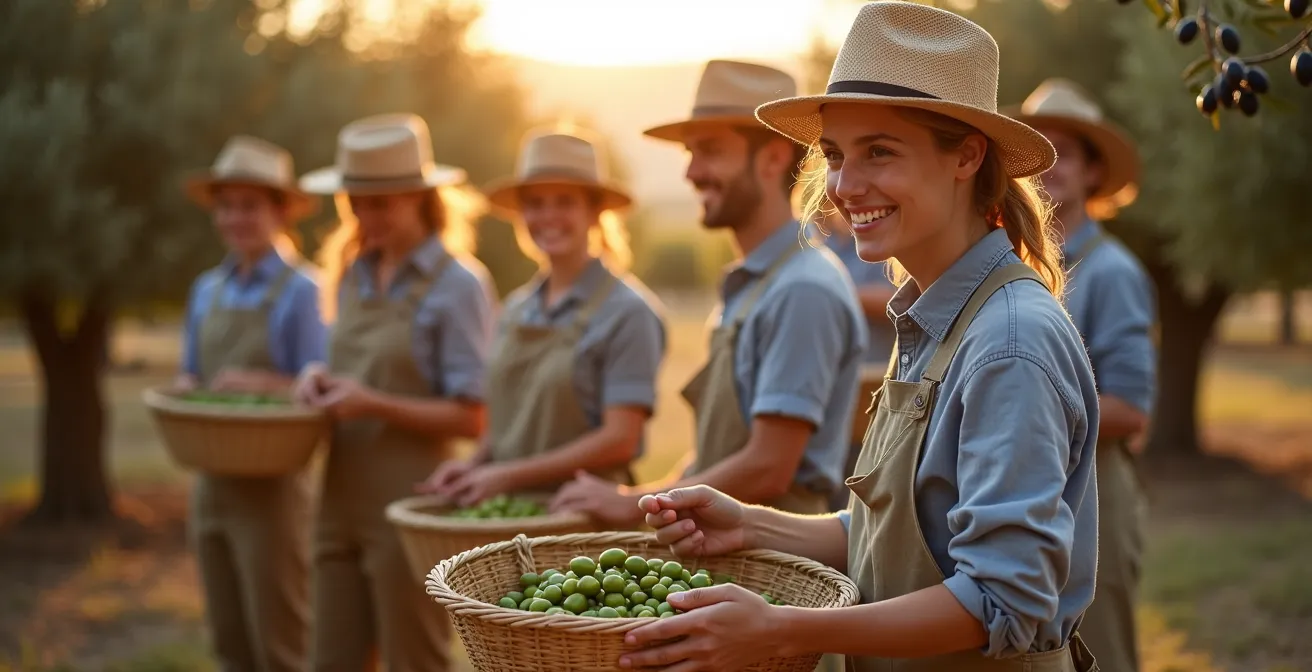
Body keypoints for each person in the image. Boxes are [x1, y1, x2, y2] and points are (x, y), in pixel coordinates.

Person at [618, 4, 1102, 671]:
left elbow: (1003, 599)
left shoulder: (1010, 344)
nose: (845, 186)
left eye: (880, 151)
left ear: (967, 155)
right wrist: (751, 523)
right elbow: (898, 540)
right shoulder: (933, 321)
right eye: (836, 155)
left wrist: (786, 630)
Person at [550, 59, 868, 524]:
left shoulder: (804, 289)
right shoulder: (756, 284)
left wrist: (629, 505)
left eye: (711, 151)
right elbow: (717, 456)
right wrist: (639, 492)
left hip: (775, 571)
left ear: (774, 158)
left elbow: (767, 468)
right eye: (690, 153)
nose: (691, 173)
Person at [293, 114, 496, 672]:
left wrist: (371, 404)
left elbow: (473, 417)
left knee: (416, 662)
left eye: (380, 203)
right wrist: (317, 380)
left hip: (410, 510)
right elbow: (352, 372)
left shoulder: (458, 285)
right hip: (336, 500)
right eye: (355, 201)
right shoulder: (352, 272)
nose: (364, 216)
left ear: (420, 197)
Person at [417, 128, 666, 505]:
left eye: (564, 201)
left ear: (594, 210)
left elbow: (620, 439)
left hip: (580, 522)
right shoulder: (515, 308)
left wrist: (505, 475)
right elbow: (507, 421)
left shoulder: (628, 313)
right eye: (535, 203)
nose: (548, 216)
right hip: (507, 517)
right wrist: (475, 463)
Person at [1010, 78, 1157, 672]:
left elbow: (1129, 410)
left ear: (1094, 174)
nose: (1048, 165)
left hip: (1095, 503)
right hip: (1036, 497)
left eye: (1064, 152)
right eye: (1037, 150)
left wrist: (1014, 418)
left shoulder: (1112, 272)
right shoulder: (1019, 270)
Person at [176, 135, 324, 672]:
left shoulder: (305, 290)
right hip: (209, 487)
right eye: (227, 206)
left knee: (281, 646)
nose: (236, 219)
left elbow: (318, 389)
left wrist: (258, 383)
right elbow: (191, 376)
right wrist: (186, 389)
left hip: (274, 495)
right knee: (229, 644)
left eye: (250, 206)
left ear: (281, 211)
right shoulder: (205, 290)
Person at [818, 210, 899, 512]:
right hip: (837, 395)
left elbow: (900, 297)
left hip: (876, 389)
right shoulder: (823, 239)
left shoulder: (881, 234)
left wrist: (837, 295)